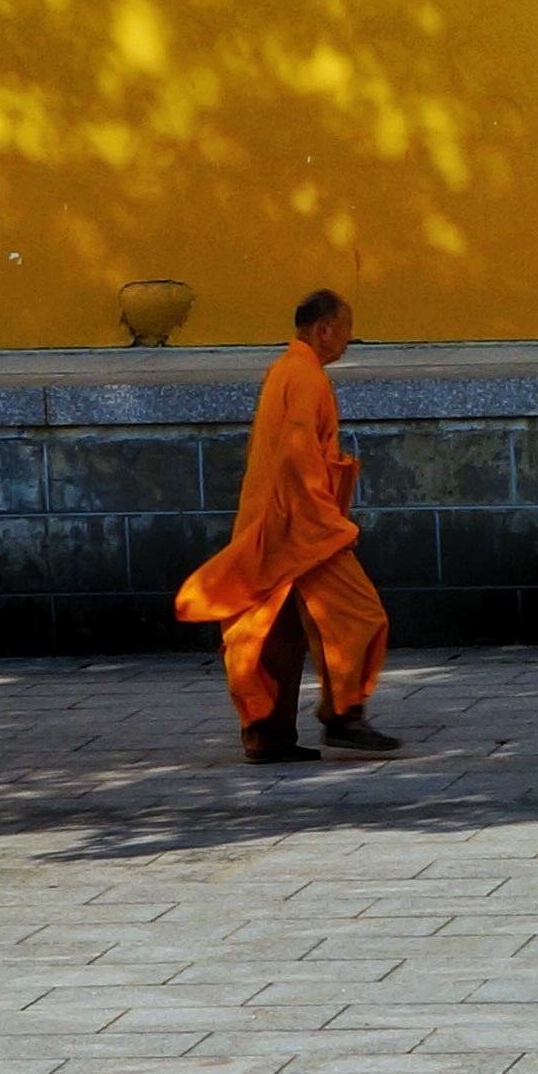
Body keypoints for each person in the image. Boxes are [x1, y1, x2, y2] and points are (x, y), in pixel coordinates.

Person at [175, 288, 398, 763]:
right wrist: (328, 524)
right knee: (360, 615)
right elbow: (299, 460)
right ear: (324, 330)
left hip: (270, 523)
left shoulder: (285, 370)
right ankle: (343, 716)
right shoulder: (306, 378)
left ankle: (267, 738)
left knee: (271, 631)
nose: (350, 338)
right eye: (346, 327)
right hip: (302, 526)